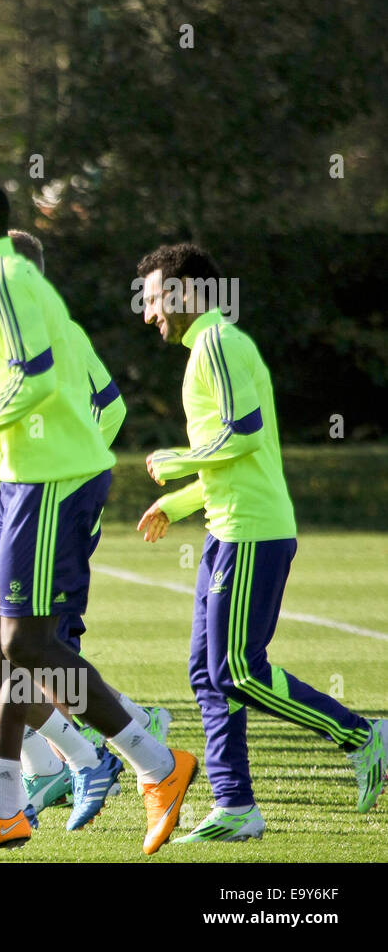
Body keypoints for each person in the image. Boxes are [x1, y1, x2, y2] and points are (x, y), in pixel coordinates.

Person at [0, 179, 195, 859]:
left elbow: (35, 379)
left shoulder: (2, 273)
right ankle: (3, 807)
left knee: (28, 645)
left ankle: (157, 764)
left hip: (53, 477)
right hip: (20, 476)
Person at [135, 242, 386, 841]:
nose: (148, 316)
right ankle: (236, 806)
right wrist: (176, 501)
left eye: (152, 301)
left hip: (253, 533)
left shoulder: (219, 343)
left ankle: (363, 734)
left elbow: (242, 436)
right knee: (206, 672)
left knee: (239, 671)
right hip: (227, 529)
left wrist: (175, 460)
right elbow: (234, 462)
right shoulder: (208, 348)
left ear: (184, 292)